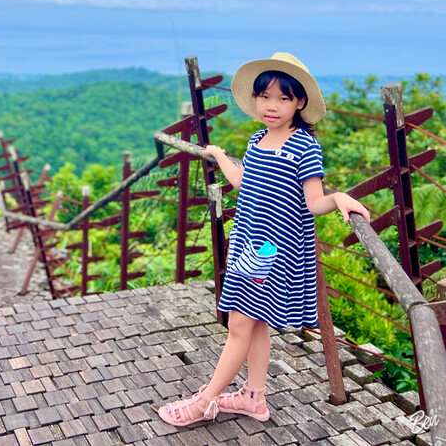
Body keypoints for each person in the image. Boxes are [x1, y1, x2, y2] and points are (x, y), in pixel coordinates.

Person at [158, 52, 370, 427]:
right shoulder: (258, 139)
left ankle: (205, 401)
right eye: (265, 96)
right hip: (249, 241)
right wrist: (219, 156)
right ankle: (253, 398)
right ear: (255, 99)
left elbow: (314, 201)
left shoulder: (304, 146)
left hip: (274, 249)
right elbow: (244, 182)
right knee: (253, 324)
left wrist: (339, 199)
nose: (272, 106)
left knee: (239, 324)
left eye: (283, 98)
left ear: (299, 102)